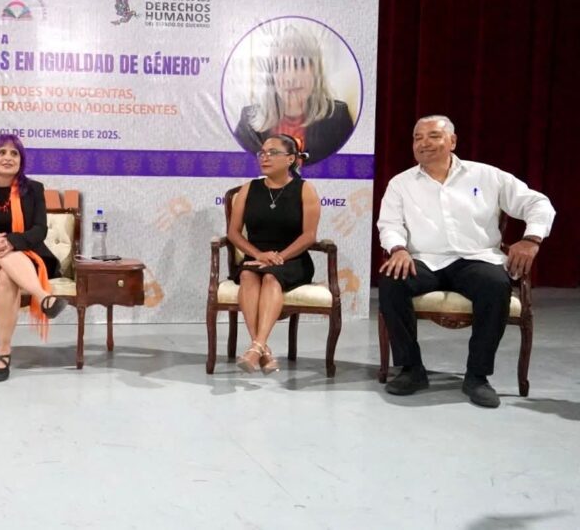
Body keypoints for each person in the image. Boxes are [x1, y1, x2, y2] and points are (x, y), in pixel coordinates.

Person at [377, 115, 555, 408]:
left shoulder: (486, 176)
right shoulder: (401, 183)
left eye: (433, 136)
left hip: (476, 258)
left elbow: (537, 203)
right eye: (418, 138)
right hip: (424, 260)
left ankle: (477, 376)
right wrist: (397, 248)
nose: (424, 143)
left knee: (495, 284)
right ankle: (411, 369)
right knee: (392, 281)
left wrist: (531, 239)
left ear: (452, 141)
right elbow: (389, 224)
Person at [0, 134, 68, 382]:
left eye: (14, 153)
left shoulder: (34, 189)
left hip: (28, 258)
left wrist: (10, 241)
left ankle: (3, 352)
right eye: (2, 152)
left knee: (6, 276)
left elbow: (39, 230)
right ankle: (45, 298)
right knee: (3, 258)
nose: (8, 158)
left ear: (21, 160)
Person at [226, 134, 320, 373]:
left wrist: (280, 257)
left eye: (273, 153)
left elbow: (309, 236)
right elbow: (233, 233)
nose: (265, 158)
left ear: (290, 159)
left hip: (293, 259)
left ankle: (256, 347)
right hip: (256, 257)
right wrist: (258, 254)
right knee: (247, 275)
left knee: (270, 277)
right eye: (262, 153)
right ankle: (261, 348)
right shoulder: (249, 188)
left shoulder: (305, 189)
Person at [233, 24, 354, 165]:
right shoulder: (248, 122)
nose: (290, 78)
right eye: (281, 66)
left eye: (299, 64)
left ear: (315, 71)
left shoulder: (337, 119)